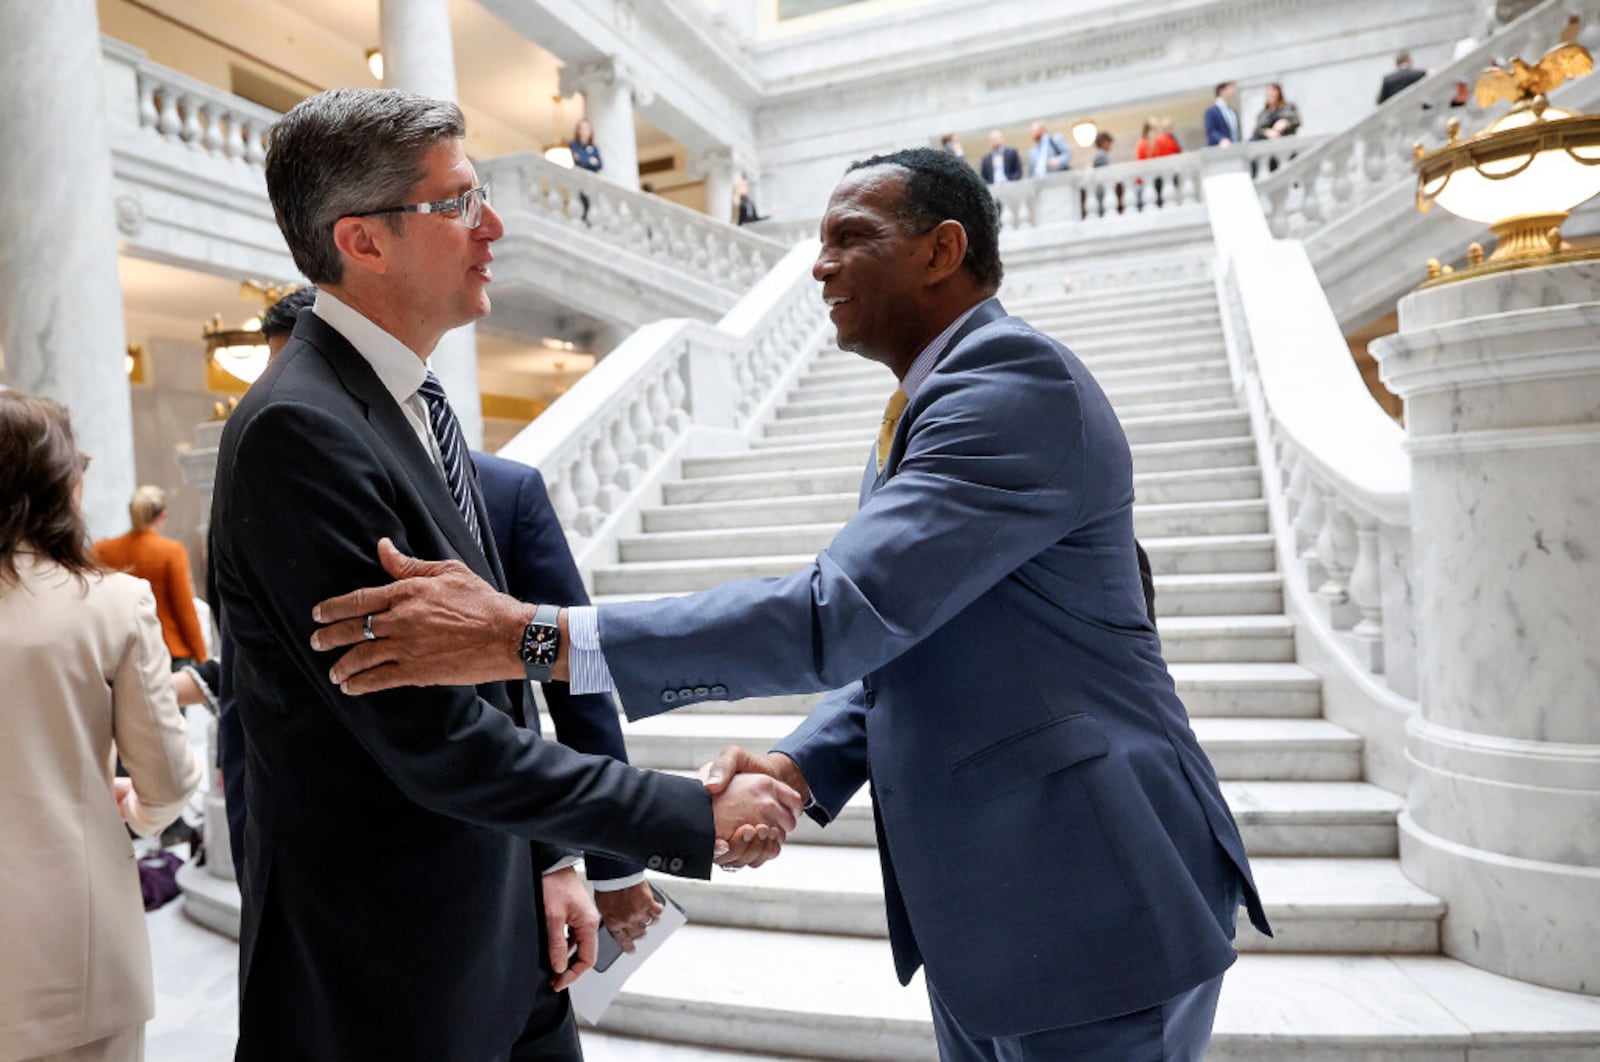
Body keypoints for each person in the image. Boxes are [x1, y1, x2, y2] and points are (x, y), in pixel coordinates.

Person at [313, 147, 1269, 1060]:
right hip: (1004, 920)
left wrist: (531, 638)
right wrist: (796, 766)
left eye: (850, 236)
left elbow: (835, 615)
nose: (818, 265)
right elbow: (924, 642)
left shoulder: (1012, 386)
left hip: (1095, 897)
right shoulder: (930, 400)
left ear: (943, 250)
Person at [211, 88, 800, 1062]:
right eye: (454, 204)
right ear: (362, 242)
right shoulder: (299, 431)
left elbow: (487, 676)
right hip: (391, 961)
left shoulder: (406, 401)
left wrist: (555, 861)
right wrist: (680, 813)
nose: (491, 225)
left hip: (501, 919)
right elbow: (431, 733)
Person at [0, 391, 202, 1062]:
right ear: (58, 481)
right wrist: (141, 815)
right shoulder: (109, 602)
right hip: (68, 945)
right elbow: (168, 781)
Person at [94, 485, 209, 669]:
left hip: (120, 652)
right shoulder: (171, 551)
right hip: (169, 650)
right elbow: (184, 609)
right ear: (162, 515)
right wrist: (202, 656)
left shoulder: (102, 550)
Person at [569, 118, 601, 223]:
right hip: (580, 181)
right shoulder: (573, 145)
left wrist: (585, 159)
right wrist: (590, 160)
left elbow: (599, 165)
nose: (584, 131)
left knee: (592, 207)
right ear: (578, 130)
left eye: (586, 128)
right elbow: (579, 160)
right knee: (581, 206)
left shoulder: (594, 148)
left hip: (592, 183)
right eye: (582, 128)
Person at [1205, 81, 1243, 146]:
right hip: (1219, 150)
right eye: (1231, 87)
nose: (1234, 90)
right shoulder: (1212, 111)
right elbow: (1211, 131)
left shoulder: (1232, 111)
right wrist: (1222, 139)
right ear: (1222, 90)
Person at [1090, 129, 1115, 217]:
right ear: (1103, 142)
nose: (1110, 146)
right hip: (1101, 189)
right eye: (1109, 143)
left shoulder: (1099, 154)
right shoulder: (1101, 155)